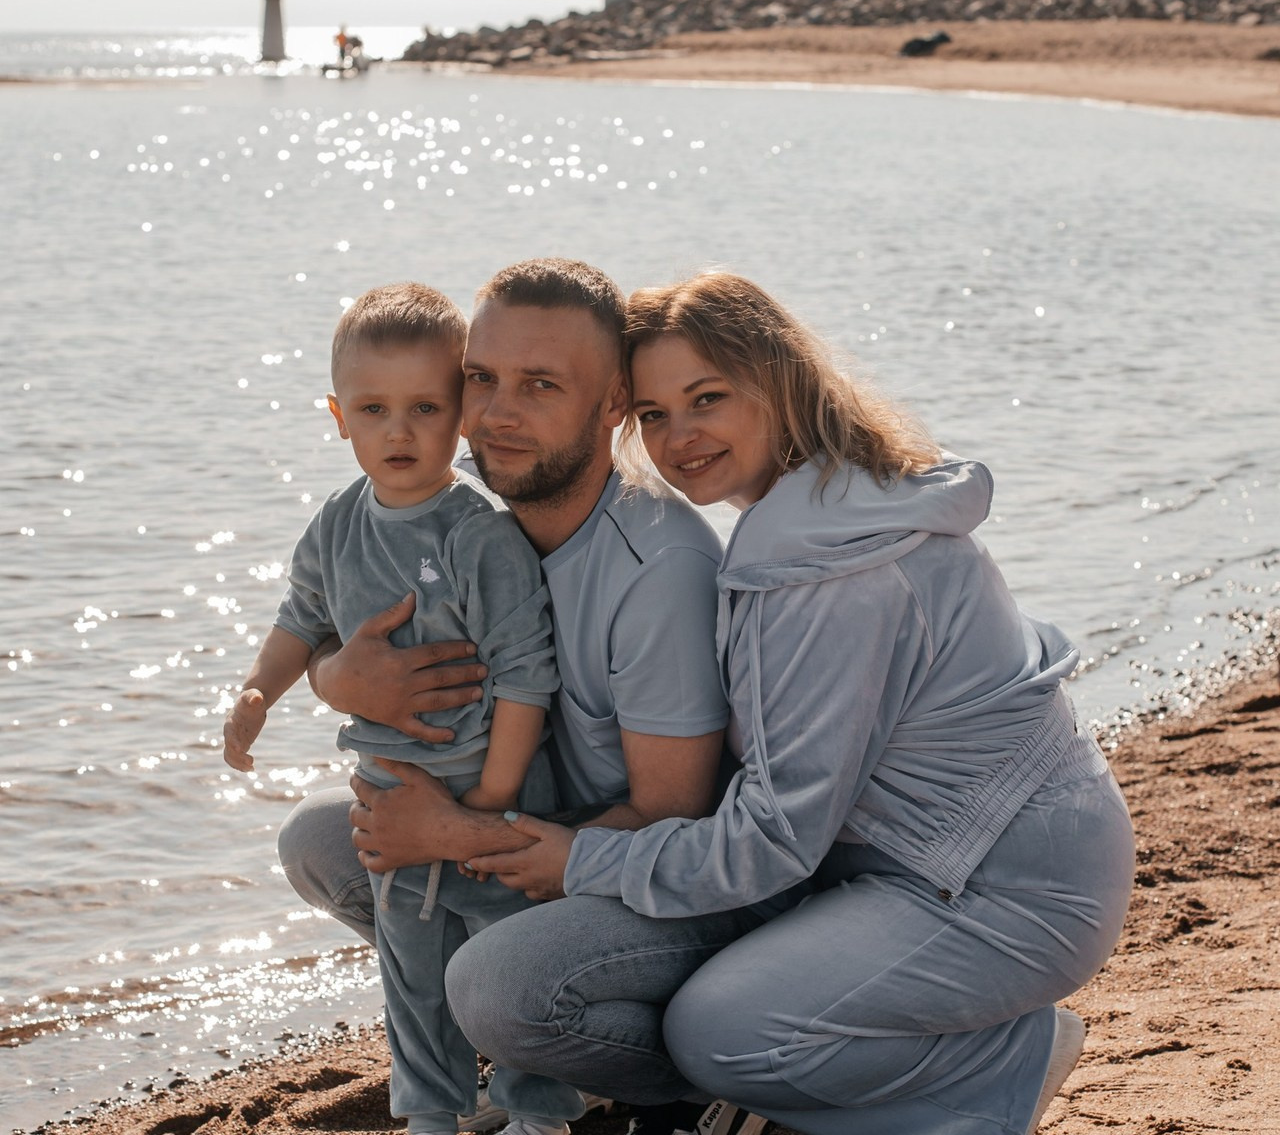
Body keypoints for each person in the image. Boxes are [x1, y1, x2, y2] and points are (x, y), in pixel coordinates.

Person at [453, 272, 1137, 1135]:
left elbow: (776, 835)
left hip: (1001, 884)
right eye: (656, 414)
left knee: (725, 1031)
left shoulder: (829, 573)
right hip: (898, 861)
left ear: (779, 383)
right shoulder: (818, 510)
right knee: (699, 1010)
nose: (679, 437)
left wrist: (580, 861)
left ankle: (1001, 1061)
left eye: (708, 399)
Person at [276, 260, 747, 1135]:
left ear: (613, 404)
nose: (496, 415)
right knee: (319, 843)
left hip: (645, 886)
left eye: (540, 385)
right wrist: (333, 674)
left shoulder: (661, 569)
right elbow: (326, 607)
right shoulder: (465, 490)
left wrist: (460, 834)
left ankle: (679, 1082)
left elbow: (674, 813)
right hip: (523, 834)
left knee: (493, 985)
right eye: (481, 379)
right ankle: (549, 1053)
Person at [223, 282, 576, 1135]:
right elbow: (303, 617)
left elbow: (528, 677)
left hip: (489, 804)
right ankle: (429, 1116)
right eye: (374, 409)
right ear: (339, 417)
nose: (399, 431)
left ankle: (539, 1113)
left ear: (460, 414)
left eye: (425, 407)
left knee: (504, 963)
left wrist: (489, 803)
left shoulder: (476, 535)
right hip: (388, 798)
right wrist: (258, 690)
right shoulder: (339, 525)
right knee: (411, 975)